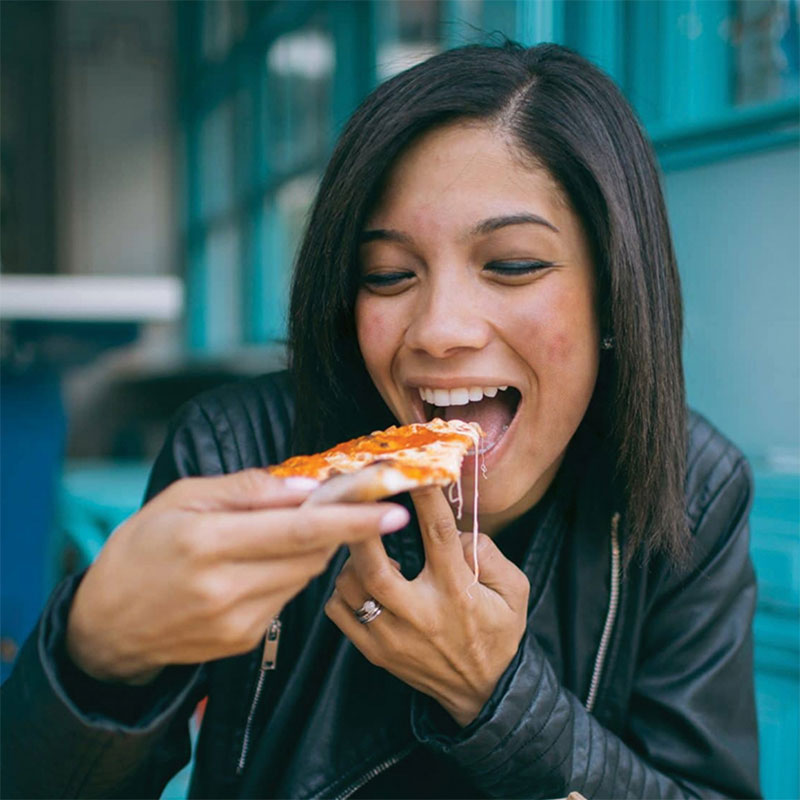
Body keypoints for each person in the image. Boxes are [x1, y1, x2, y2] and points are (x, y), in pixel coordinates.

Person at [1, 42, 759, 799]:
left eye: (514, 265)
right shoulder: (244, 452)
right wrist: (94, 654)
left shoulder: (694, 489)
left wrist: (501, 702)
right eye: (388, 275)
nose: (438, 329)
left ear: (614, 295)